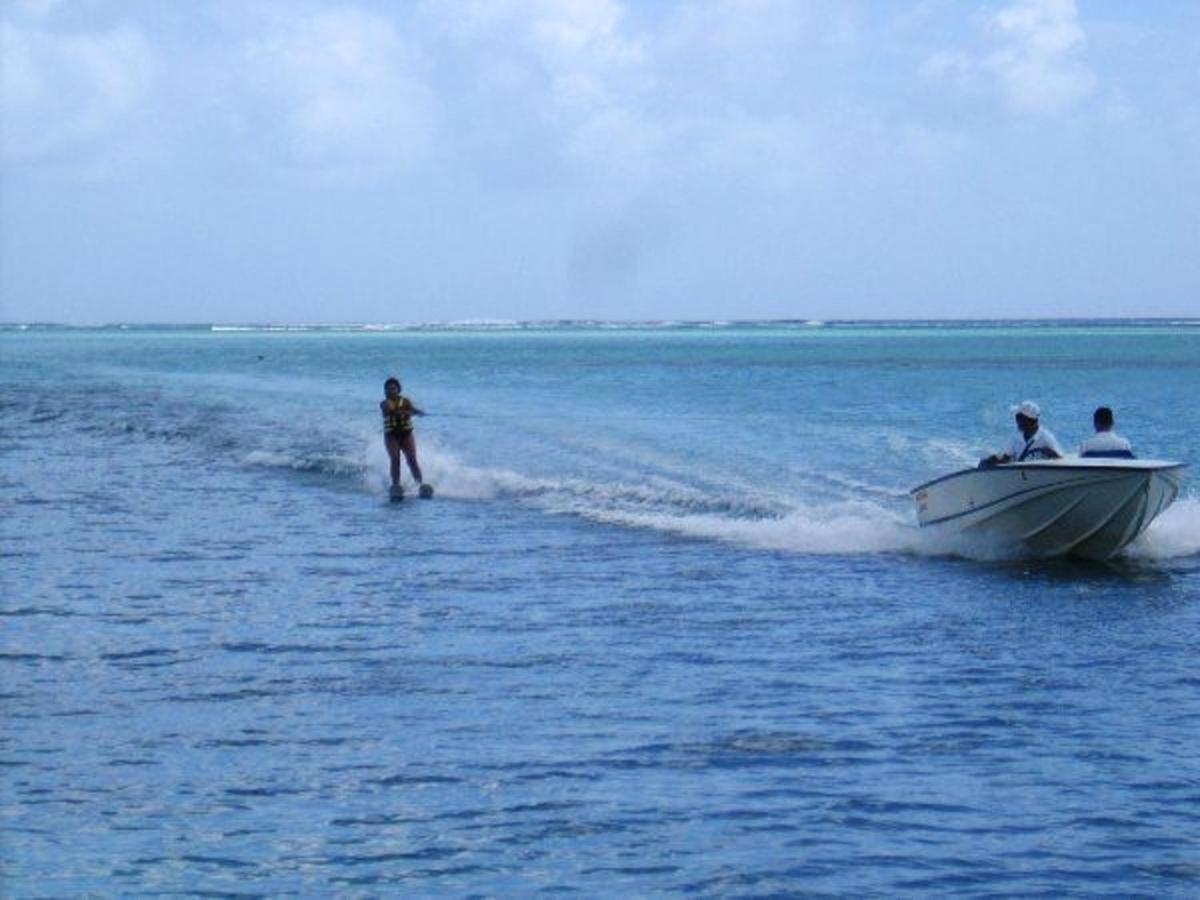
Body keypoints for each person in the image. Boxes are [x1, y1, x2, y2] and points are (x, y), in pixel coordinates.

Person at [980, 400, 1063, 467]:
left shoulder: (1046, 438)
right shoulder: (1016, 437)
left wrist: (1047, 451)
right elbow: (1005, 458)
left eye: (1018, 417)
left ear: (1029, 421)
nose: (1016, 421)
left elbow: (1060, 460)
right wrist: (990, 461)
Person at [380, 377, 425, 491]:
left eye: (393, 389)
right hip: (391, 436)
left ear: (398, 390)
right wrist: (407, 413)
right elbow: (391, 411)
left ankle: (420, 485)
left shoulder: (406, 401)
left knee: (412, 459)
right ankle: (396, 485)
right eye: (388, 389)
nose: (391, 391)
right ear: (385, 391)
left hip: (406, 435)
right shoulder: (384, 403)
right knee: (395, 459)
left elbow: (413, 410)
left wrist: (419, 412)